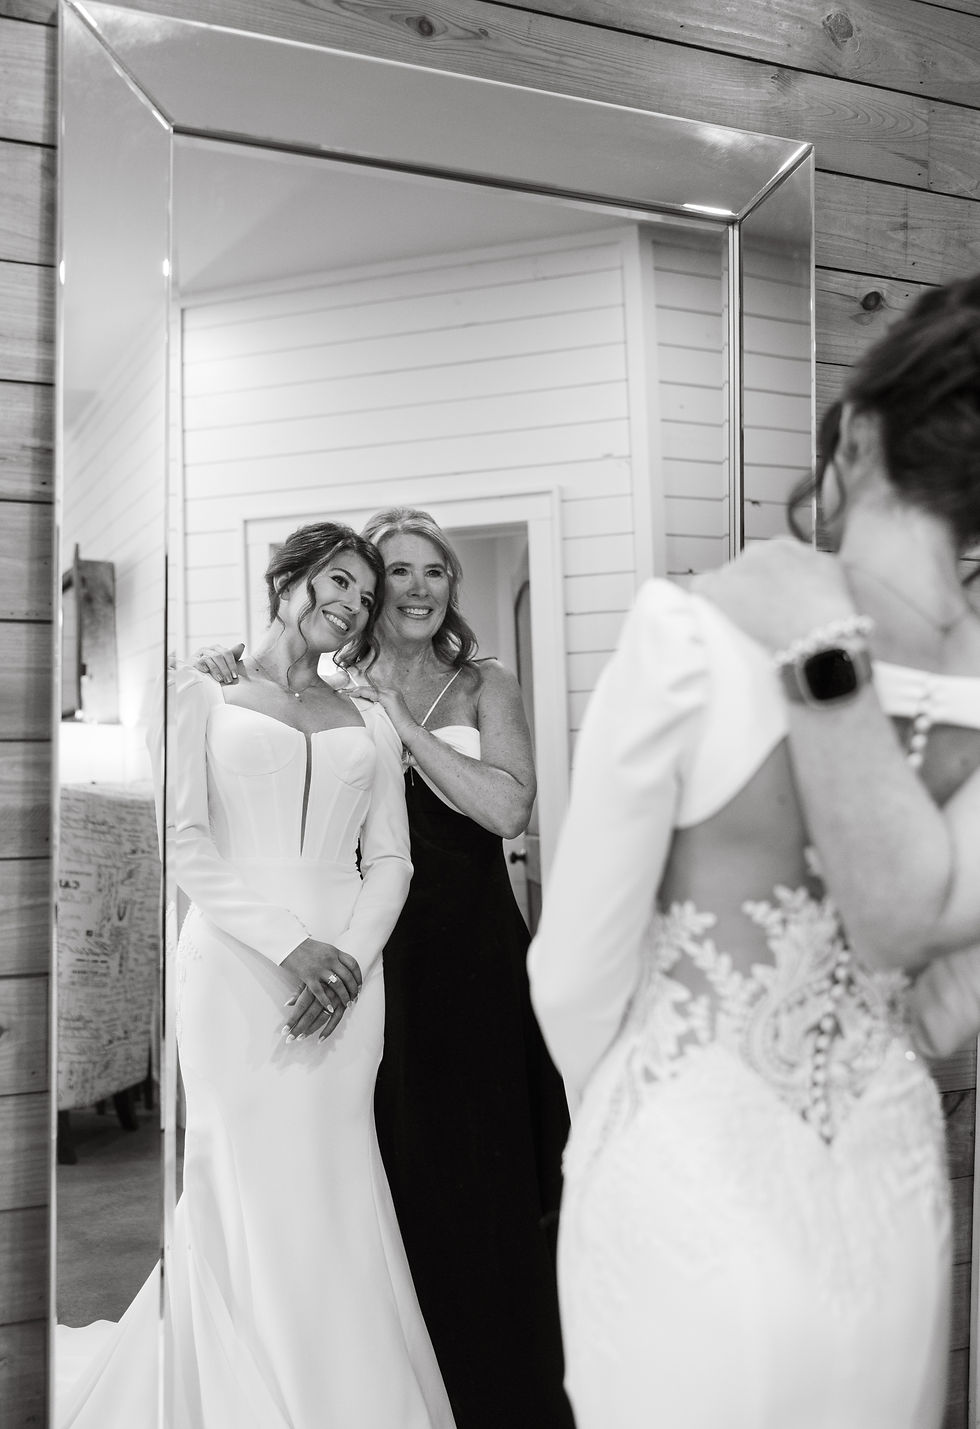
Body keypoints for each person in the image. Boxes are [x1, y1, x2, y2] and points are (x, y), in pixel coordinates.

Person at [526, 275, 980, 1428]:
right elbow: (944, 1010)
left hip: (684, 1169)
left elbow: (572, 967)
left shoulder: (687, 631)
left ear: (861, 435)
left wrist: (628, 1108)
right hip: (884, 1190)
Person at [58, 522, 455, 1429]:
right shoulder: (195, 691)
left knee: (335, 1178)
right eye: (336, 581)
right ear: (288, 577)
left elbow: (390, 859)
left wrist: (348, 956)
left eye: (363, 593)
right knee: (244, 1179)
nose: (350, 604)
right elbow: (186, 844)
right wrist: (289, 944)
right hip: (239, 969)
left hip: (353, 975)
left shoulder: (365, 713)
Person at [195, 508, 573, 1429]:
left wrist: (402, 720)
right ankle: (377, 1367)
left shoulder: (482, 683)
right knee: (378, 1166)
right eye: (385, 574)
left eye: (428, 572)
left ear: (451, 585)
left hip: (470, 946)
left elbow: (509, 810)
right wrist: (219, 670)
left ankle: (502, 1382)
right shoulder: (332, 685)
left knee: (481, 1167)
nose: (407, 589)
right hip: (369, 947)